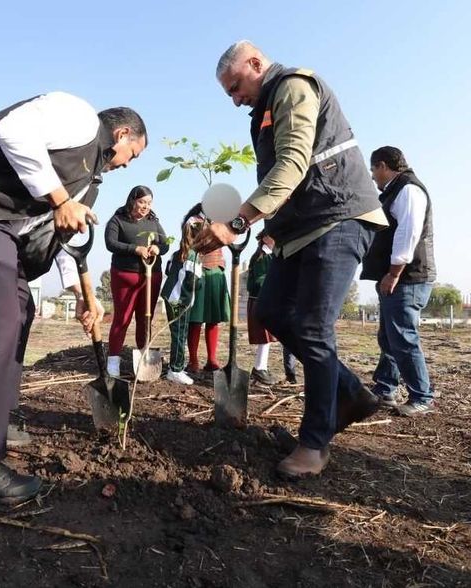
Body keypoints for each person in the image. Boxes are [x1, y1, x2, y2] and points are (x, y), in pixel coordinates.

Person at [0, 91, 146, 504]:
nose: (127, 164)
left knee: (21, 306)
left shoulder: (86, 182)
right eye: (133, 153)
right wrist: (59, 199)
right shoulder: (77, 116)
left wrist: (83, 296)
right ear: (123, 132)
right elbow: (12, 130)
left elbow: (66, 243)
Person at [196, 41, 389, 478]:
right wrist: (270, 226)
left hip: (338, 217)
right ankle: (352, 392)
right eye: (228, 93)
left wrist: (239, 222)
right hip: (299, 230)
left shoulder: (293, 86)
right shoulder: (265, 108)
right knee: (272, 312)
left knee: (311, 327)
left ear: (255, 63)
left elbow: (295, 163)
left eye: (236, 86)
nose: (235, 98)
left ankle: (315, 443)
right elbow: (284, 184)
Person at [360, 146, 436, 417]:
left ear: (383, 166)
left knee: (403, 337)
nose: (372, 177)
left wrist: (393, 273)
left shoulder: (408, 190)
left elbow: (408, 233)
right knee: (390, 336)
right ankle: (385, 388)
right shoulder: (395, 190)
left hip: (408, 277)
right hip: (398, 277)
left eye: (372, 170)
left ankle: (422, 396)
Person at [103, 185, 169, 377]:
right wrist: (135, 249)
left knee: (145, 318)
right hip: (125, 276)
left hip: (151, 276)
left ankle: (143, 357)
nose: (145, 206)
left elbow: (165, 243)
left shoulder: (153, 223)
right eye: (141, 202)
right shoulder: (118, 220)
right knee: (122, 318)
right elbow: (111, 243)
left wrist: (157, 248)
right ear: (132, 200)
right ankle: (113, 360)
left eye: (148, 203)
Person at [246, 231, 298, 385]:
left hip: (266, 299)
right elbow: (259, 281)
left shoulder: (270, 256)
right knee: (265, 337)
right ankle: (259, 368)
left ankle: (260, 367)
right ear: (265, 239)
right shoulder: (262, 257)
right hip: (261, 300)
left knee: (267, 338)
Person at [184, 204, 230, 373]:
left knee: (213, 318)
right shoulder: (193, 221)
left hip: (217, 271)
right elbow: (189, 245)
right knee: (195, 319)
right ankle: (193, 361)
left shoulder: (221, 221)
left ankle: (212, 360)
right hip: (199, 271)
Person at [161, 217, 205, 385]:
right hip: (180, 300)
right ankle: (175, 370)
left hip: (170, 297)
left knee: (177, 334)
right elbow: (196, 283)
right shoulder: (194, 257)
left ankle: (176, 365)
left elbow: (168, 269)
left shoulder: (177, 253)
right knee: (180, 335)